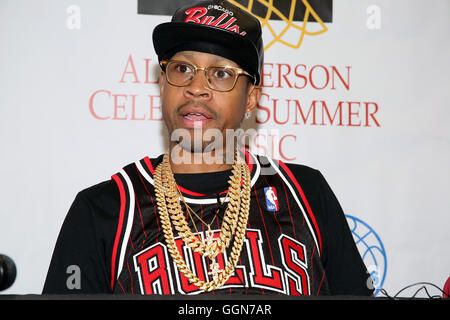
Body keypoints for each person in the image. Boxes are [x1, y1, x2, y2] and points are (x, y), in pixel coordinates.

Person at [43, 0, 373, 296]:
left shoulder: (305, 194)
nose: (196, 87)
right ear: (162, 84)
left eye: (221, 73)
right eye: (182, 68)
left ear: (251, 99)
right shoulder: (105, 209)